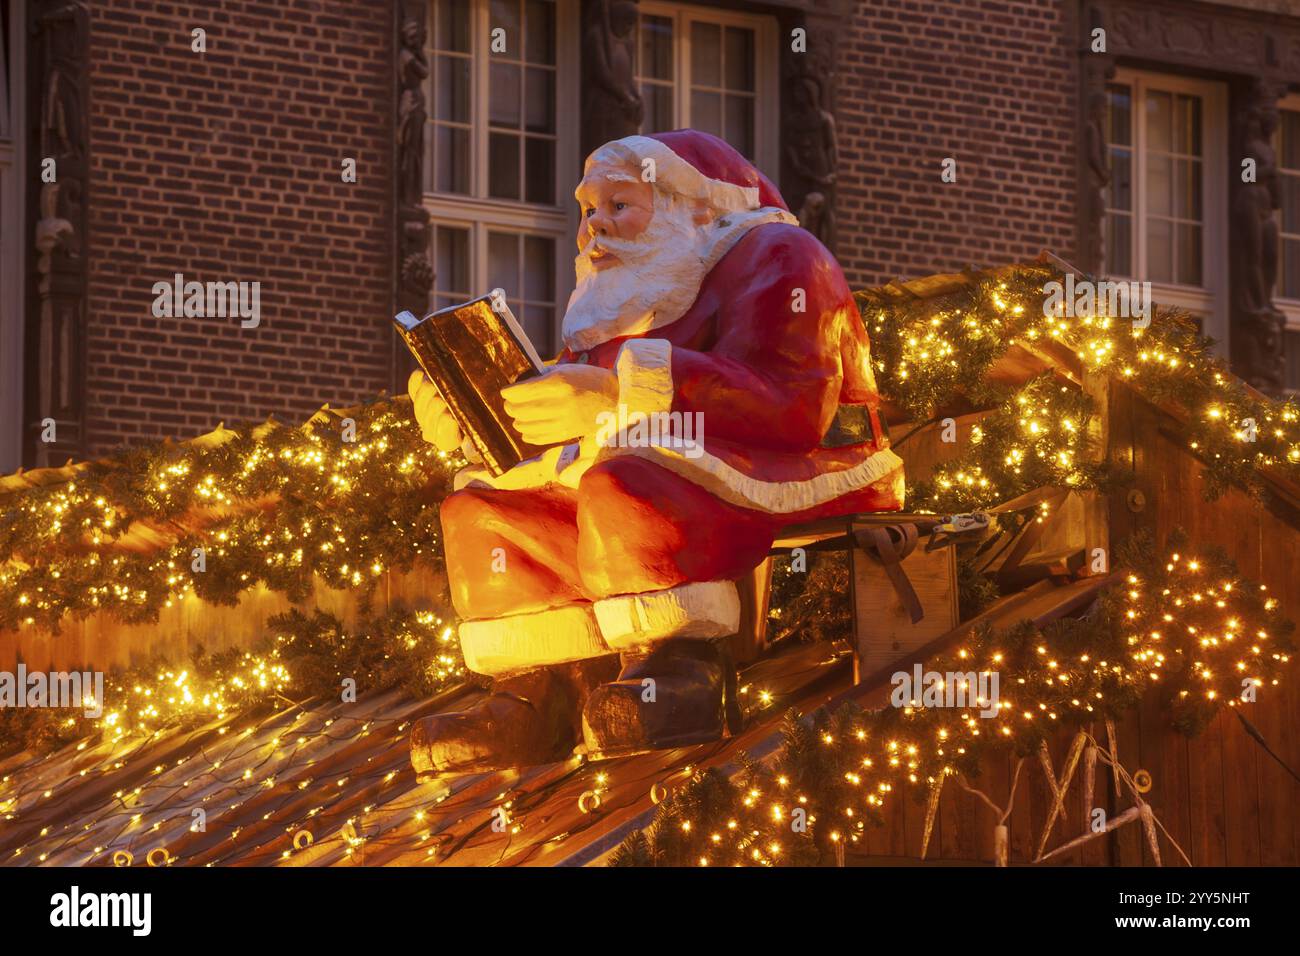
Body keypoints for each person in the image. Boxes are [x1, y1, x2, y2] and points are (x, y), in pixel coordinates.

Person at [407, 130, 903, 775]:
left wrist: (620, 391)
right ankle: (534, 692)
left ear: (692, 206)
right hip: (648, 448)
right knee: (481, 504)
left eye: (620, 205)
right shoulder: (619, 292)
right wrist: (477, 415)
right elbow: (576, 415)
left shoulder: (780, 255)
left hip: (793, 455)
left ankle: (671, 666)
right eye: (589, 210)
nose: (596, 229)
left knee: (626, 486)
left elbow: (792, 407)